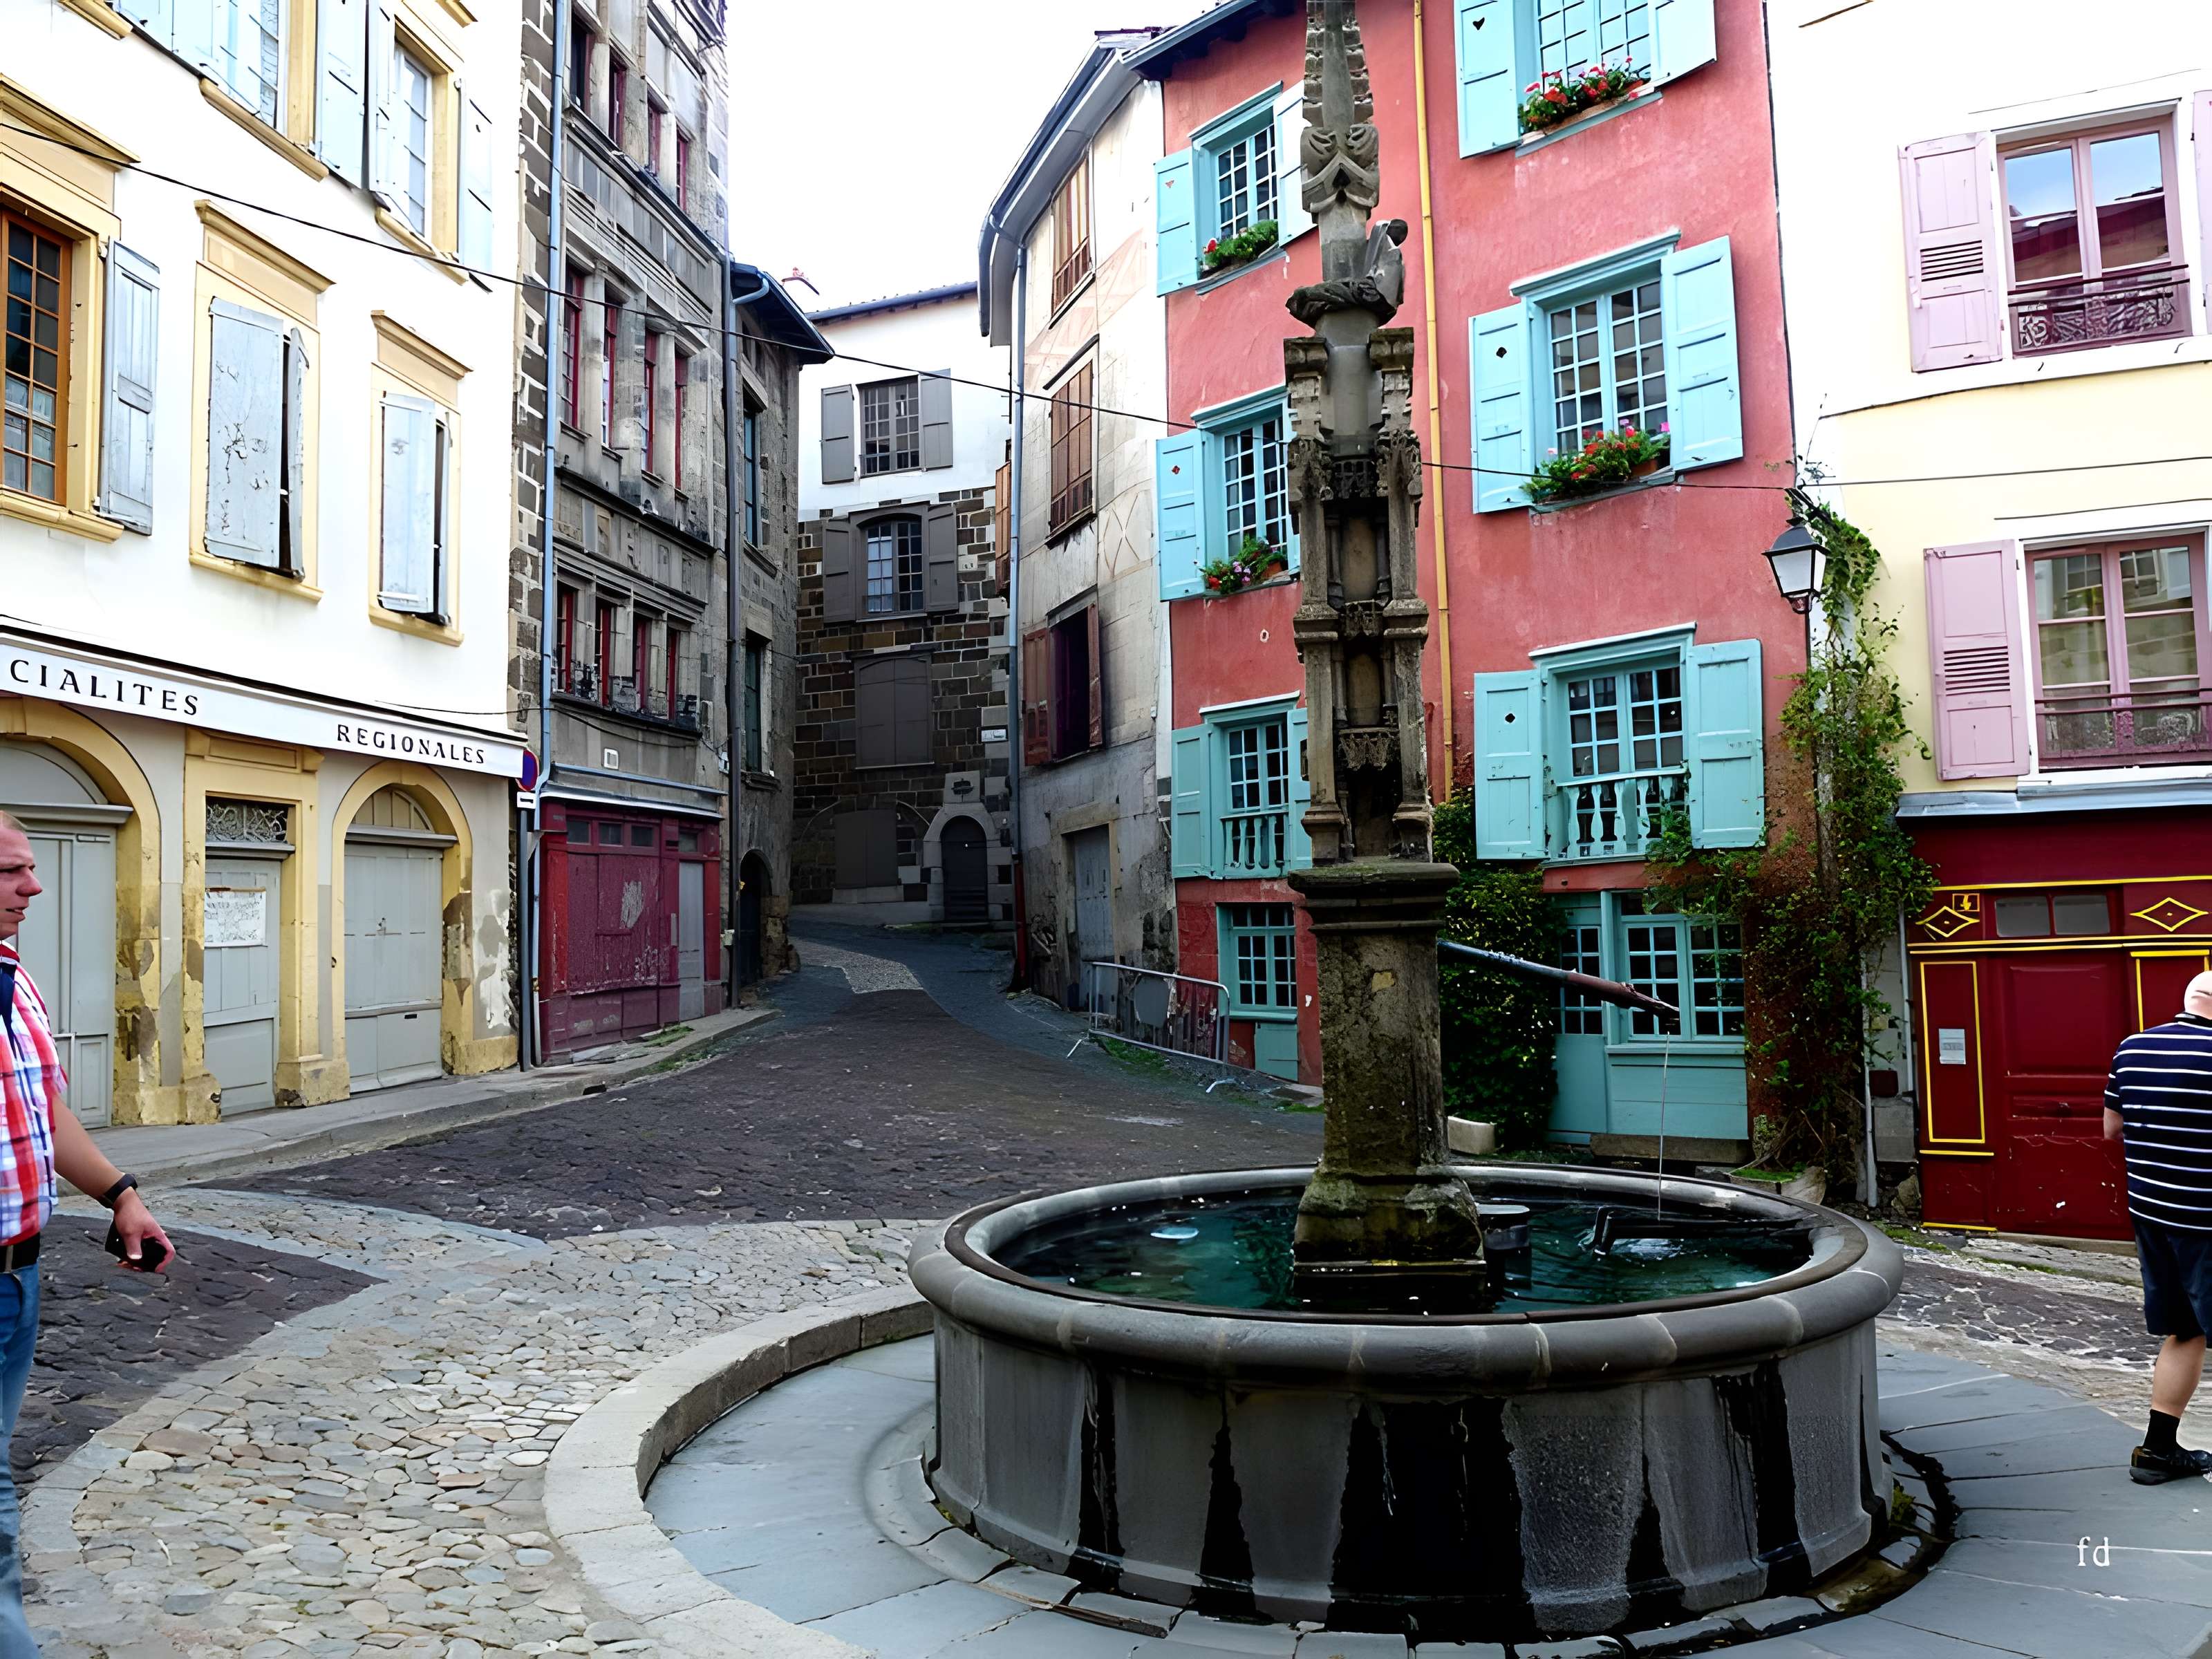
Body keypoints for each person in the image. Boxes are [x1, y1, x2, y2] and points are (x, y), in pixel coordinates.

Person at [0, 810, 174, 1648]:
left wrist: (119, 1194)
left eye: (30, 868)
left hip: (18, 1279)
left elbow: (45, 1108)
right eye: (9, 873)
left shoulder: (11, 976)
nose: (33, 887)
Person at [2105, 968, 2212, 1484]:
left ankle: (2158, 1451)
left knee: (2185, 1330)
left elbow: (2112, 1127)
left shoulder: (2131, 1048)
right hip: (2206, 1217)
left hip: (2153, 1212)